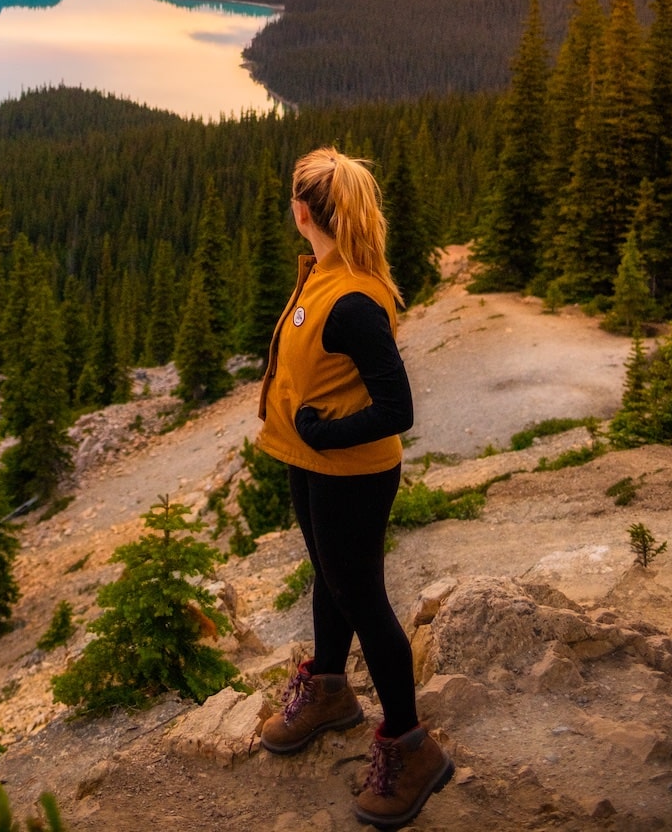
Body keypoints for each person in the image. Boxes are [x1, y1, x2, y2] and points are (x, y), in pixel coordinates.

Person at [255, 145, 453, 830]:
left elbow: (398, 410)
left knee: (363, 597)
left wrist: (327, 436)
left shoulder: (352, 302)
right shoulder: (322, 272)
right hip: (309, 463)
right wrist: (305, 437)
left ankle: (409, 745)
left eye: (292, 199)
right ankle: (331, 690)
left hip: (350, 474)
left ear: (303, 211)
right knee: (331, 578)